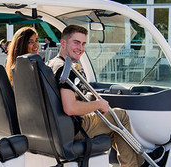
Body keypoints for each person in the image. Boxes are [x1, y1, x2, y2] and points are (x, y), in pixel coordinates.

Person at [46, 25, 144, 167]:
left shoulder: (51, 64)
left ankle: (139, 162)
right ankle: (134, 165)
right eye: (76, 42)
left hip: (57, 127)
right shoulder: (67, 70)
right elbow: (70, 108)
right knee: (120, 116)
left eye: (83, 43)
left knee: (112, 127)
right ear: (63, 43)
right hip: (73, 127)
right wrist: (98, 104)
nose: (80, 48)